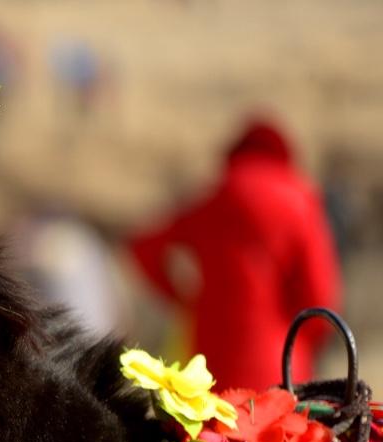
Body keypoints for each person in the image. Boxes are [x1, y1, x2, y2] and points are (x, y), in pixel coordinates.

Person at [127, 120, 341, 390]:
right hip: (280, 362)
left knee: (211, 431)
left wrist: (185, 300)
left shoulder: (214, 197)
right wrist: (304, 340)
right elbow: (321, 296)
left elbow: (143, 247)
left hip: (211, 360)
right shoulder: (300, 201)